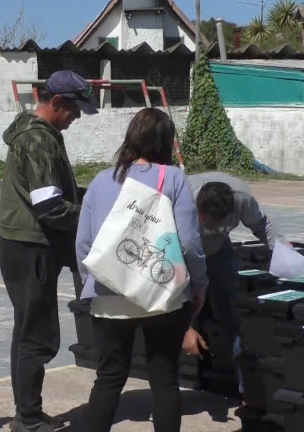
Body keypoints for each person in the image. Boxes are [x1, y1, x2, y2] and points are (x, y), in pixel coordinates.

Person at [75, 108, 209, 432]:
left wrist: (96, 282)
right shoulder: (174, 178)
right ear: (165, 142)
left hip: (109, 296)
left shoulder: (100, 181)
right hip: (161, 296)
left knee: (108, 379)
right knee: (164, 380)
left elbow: (83, 243)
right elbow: (189, 242)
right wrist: (199, 283)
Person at [0, 70, 99, 432]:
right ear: (56, 103)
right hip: (31, 247)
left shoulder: (39, 135)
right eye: (75, 109)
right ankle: (27, 418)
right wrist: (93, 214)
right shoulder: (38, 140)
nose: (77, 117)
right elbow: (50, 207)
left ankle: (28, 411)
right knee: (35, 334)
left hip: (26, 245)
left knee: (28, 330)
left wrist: (92, 196)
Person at [182, 172, 285, 402]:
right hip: (182, 255)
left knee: (232, 313)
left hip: (218, 252)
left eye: (220, 224)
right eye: (207, 223)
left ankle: (246, 389)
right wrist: (185, 325)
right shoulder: (182, 201)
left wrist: (286, 252)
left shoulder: (241, 198)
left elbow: (262, 225)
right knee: (181, 312)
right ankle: (184, 379)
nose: (212, 227)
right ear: (199, 211)